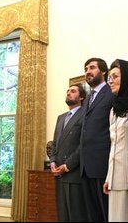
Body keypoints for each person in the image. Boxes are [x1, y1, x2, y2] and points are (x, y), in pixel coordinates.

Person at [103, 59, 128, 222]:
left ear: (127, 78)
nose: (110, 81)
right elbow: (113, 144)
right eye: (109, 77)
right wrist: (108, 177)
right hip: (114, 177)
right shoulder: (114, 110)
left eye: (115, 76)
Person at [80, 58, 114, 222]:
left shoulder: (111, 93)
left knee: (106, 212)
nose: (88, 71)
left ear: (103, 72)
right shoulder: (87, 98)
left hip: (103, 164)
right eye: (86, 68)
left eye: (92, 67)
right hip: (85, 166)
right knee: (91, 214)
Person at [50, 83, 87, 222]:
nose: (69, 93)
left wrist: (67, 166)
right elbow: (55, 143)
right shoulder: (61, 117)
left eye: (73, 91)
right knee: (62, 215)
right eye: (68, 91)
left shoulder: (85, 114)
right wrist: (52, 161)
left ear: (81, 96)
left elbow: (83, 145)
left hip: (74, 173)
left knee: (75, 215)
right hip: (58, 174)